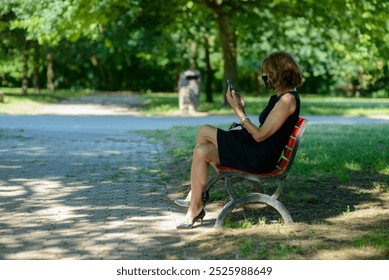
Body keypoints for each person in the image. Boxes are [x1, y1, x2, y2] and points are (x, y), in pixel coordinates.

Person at [176, 51, 303, 229]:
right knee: (201, 150)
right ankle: (195, 206)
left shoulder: (287, 99)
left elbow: (260, 135)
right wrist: (242, 108)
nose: (263, 75)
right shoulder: (281, 97)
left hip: (259, 158)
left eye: (266, 71)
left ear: (278, 72)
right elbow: (265, 131)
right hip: (256, 150)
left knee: (204, 130)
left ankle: (197, 195)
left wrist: (237, 110)